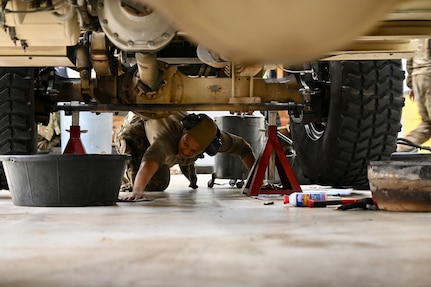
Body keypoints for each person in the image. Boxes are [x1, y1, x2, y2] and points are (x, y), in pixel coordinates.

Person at [115, 111, 256, 200]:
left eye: (194, 151)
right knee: (152, 184)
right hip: (136, 129)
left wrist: (256, 182)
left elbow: (243, 148)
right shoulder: (167, 138)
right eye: (186, 143)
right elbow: (150, 159)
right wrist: (137, 191)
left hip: (157, 138)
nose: (187, 152)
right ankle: (126, 177)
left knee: (160, 183)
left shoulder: (213, 139)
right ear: (184, 132)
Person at [399, 38, 431, 151]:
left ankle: (400, 149)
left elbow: (410, 57)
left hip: (419, 76)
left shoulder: (417, 29)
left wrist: (411, 83)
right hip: (429, 72)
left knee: (427, 125)